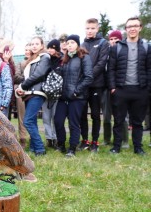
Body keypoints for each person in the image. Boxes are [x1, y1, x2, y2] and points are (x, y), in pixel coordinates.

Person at [108, 17, 151, 155]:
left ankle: (138, 147)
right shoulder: (117, 47)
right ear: (126, 29)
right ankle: (116, 147)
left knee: (137, 122)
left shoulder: (146, 47)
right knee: (119, 121)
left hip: (140, 90)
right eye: (129, 26)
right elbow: (111, 69)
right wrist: (113, 87)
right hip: (121, 90)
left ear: (140, 28)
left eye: (135, 26)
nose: (132, 28)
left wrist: (147, 88)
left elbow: (149, 69)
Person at [54, 34, 93, 157]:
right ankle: (61, 145)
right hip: (63, 97)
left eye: (72, 42)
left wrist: (76, 91)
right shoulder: (65, 59)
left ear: (77, 44)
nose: (69, 45)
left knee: (73, 124)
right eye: (68, 43)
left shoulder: (84, 57)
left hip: (77, 98)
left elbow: (88, 77)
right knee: (58, 121)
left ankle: (72, 149)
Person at [15, 36, 51, 156]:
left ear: (42, 45)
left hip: (37, 92)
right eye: (32, 44)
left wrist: (22, 86)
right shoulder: (32, 58)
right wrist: (22, 89)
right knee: (32, 121)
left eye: (37, 44)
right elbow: (27, 77)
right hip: (29, 93)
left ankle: (40, 149)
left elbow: (39, 75)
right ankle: (34, 148)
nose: (34, 46)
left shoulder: (45, 57)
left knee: (28, 121)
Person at [79, 18, 110, 152]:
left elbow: (101, 63)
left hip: (97, 85)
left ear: (97, 29)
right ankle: (85, 140)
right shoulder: (82, 44)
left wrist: (89, 77)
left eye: (92, 28)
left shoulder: (103, 43)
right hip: (83, 86)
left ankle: (95, 142)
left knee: (96, 114)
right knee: (82, 114)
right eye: (87, 28)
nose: (90, 31)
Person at [102, 30, 129, 148]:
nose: (113, 42)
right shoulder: (105, 53)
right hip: (106, 88)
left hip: (120, 88)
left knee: (122, 116)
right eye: (111, 39)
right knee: (106, 116)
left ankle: (125, 141)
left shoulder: (124, 52)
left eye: (116, 40)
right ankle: (107, 139)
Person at [43, 39, 62, 148]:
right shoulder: (46, 59)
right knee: (46, 117)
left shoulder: (61, 60)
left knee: (55, 116)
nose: (50, 50)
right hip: (45, 92)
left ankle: (55, 138)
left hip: (57, 93)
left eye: (53, 48)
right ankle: (48, 138)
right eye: (49, 48)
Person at [13, 42, 31, 148]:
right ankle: (23, 138)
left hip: (35, 93)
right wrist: (28, 79)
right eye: (26, 50)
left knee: (32, 117)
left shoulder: (37, 62)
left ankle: (33, 138)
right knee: (22, 116)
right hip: (22, 91)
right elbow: (16, 77)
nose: (28, 52)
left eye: (29, 50)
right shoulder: (20, 63)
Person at [0, 39, 16, 120]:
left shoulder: (9, 59)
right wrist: (6, 62)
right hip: (2, 96)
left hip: (7, 96)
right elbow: (9, 77)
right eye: (11, 49)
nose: (11, 51)